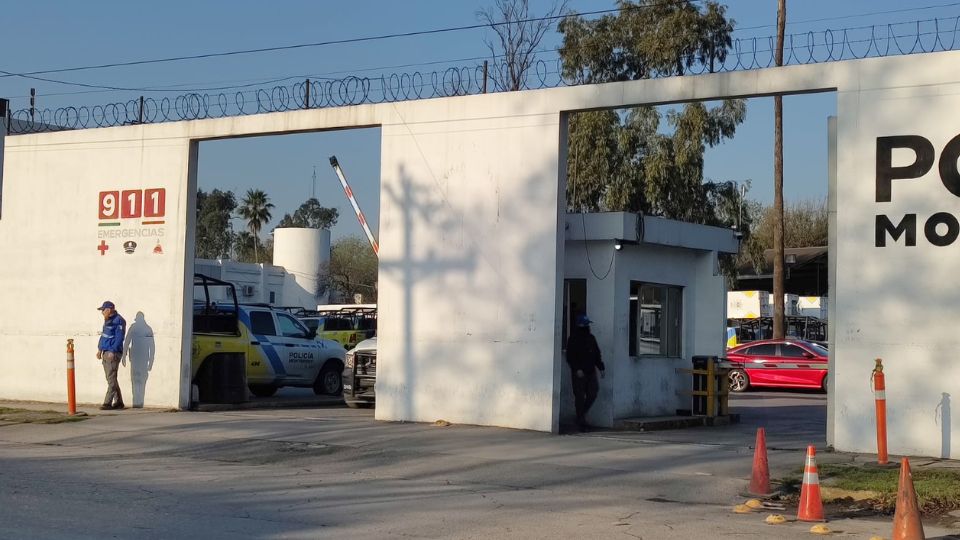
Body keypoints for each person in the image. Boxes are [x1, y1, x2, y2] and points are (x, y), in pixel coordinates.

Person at [566, 314, 605, 431]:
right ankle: (580, 421)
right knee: (579, 397)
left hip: (591, 371)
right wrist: (576, 369)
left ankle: (581, 416)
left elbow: (597, 354)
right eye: (586, 324)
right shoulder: (573, 338)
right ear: (581, 325)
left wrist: (601, 367)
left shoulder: (591, 338)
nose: (588, 326)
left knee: (593, 392)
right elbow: (570, 356)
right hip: (579, 373)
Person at [97, 300, 126, 410]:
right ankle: (119, 402)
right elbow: (104, 336)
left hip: (112, 353)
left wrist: (112, 351)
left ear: (109, 310)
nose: (102, 312)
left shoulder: (118, 321)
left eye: (103, 310)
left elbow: (119, 338)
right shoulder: (107, 320)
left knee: (111, 378)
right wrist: (99, 350)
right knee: (111, 378)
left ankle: (107, 402)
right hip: (105, 352)